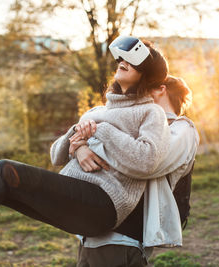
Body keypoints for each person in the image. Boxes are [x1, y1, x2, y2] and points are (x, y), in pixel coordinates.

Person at [0, 36, 175, 267]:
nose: (122, 62)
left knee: (3, 171)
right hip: (75, 193)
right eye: (121, 59)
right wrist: (76, 143)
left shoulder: (150, 112)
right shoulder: (96, 111)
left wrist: (101, 131)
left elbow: (147, 160)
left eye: (134, 62)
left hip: (104, 204)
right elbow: (56, 155)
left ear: (146, 74)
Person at [72, 76, 199, 267]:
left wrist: (93, 137)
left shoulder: (182, 129)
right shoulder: (135, 126)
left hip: (123, 240)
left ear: (160, 89)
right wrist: (79, 147)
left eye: (144, 88)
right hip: (91, 237)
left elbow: (145, 164)